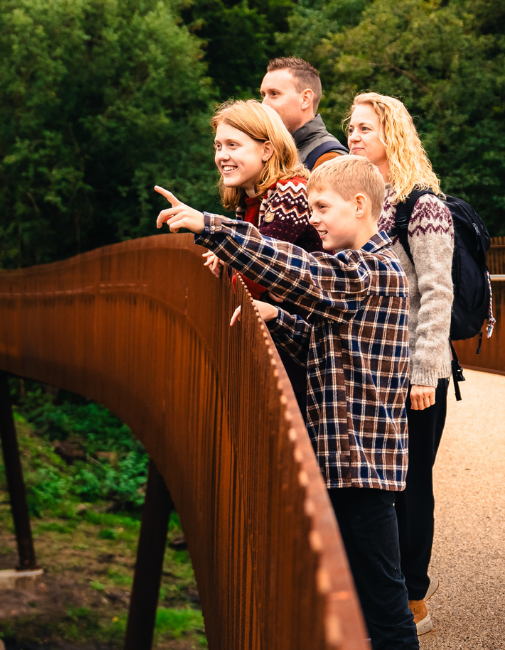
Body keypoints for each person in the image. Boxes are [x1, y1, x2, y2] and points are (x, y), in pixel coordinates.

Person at [154, 155, 419, 650]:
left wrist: (211, 226)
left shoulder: (370, 271)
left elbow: (296, 269)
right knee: (361, 599)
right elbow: (329, 351)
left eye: (321, 207)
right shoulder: (359, 274)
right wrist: (277, 318)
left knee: (383, 604)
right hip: (347, 460)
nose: (311, 218)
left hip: (361, 466)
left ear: (359, 206)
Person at [347, 92, 455, 636]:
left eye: (365, 127)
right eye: (351, 126)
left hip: (417, 372)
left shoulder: (422, 203)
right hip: (377, 365)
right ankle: (384, 596)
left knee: (412, 486)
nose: (353, 134)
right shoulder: (372, 199)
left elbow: (437, 291)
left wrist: (424, 372)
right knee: (384, 484)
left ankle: (414, 600)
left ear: (392, 133)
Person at [199, 99, 320, 406]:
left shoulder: (289, 191)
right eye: (218, 146)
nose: (222, 156)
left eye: (233, 145)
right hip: (282, 333)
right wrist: (231, 253)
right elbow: (251, 263)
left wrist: (229, 251)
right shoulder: (250, 198)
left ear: (266, 150)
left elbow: (259, 270)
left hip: (309, 343)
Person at [261, 57, 348, 170]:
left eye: (274, 93)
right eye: (263, 95)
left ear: (305, 99)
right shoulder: (271, 151)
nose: (264, 104)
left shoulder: (330, 160)